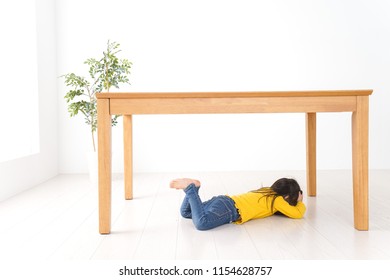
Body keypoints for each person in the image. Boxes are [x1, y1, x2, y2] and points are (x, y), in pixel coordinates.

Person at [170, 177, 306, 231]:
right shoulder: (278, 200)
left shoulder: (266, 191)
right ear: (287, 196)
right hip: (230, 209)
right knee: (202, 223)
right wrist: (300, 202)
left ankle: (195, 188)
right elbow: (297, 214)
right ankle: (190, 189)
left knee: (186, 213)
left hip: (223, 200)